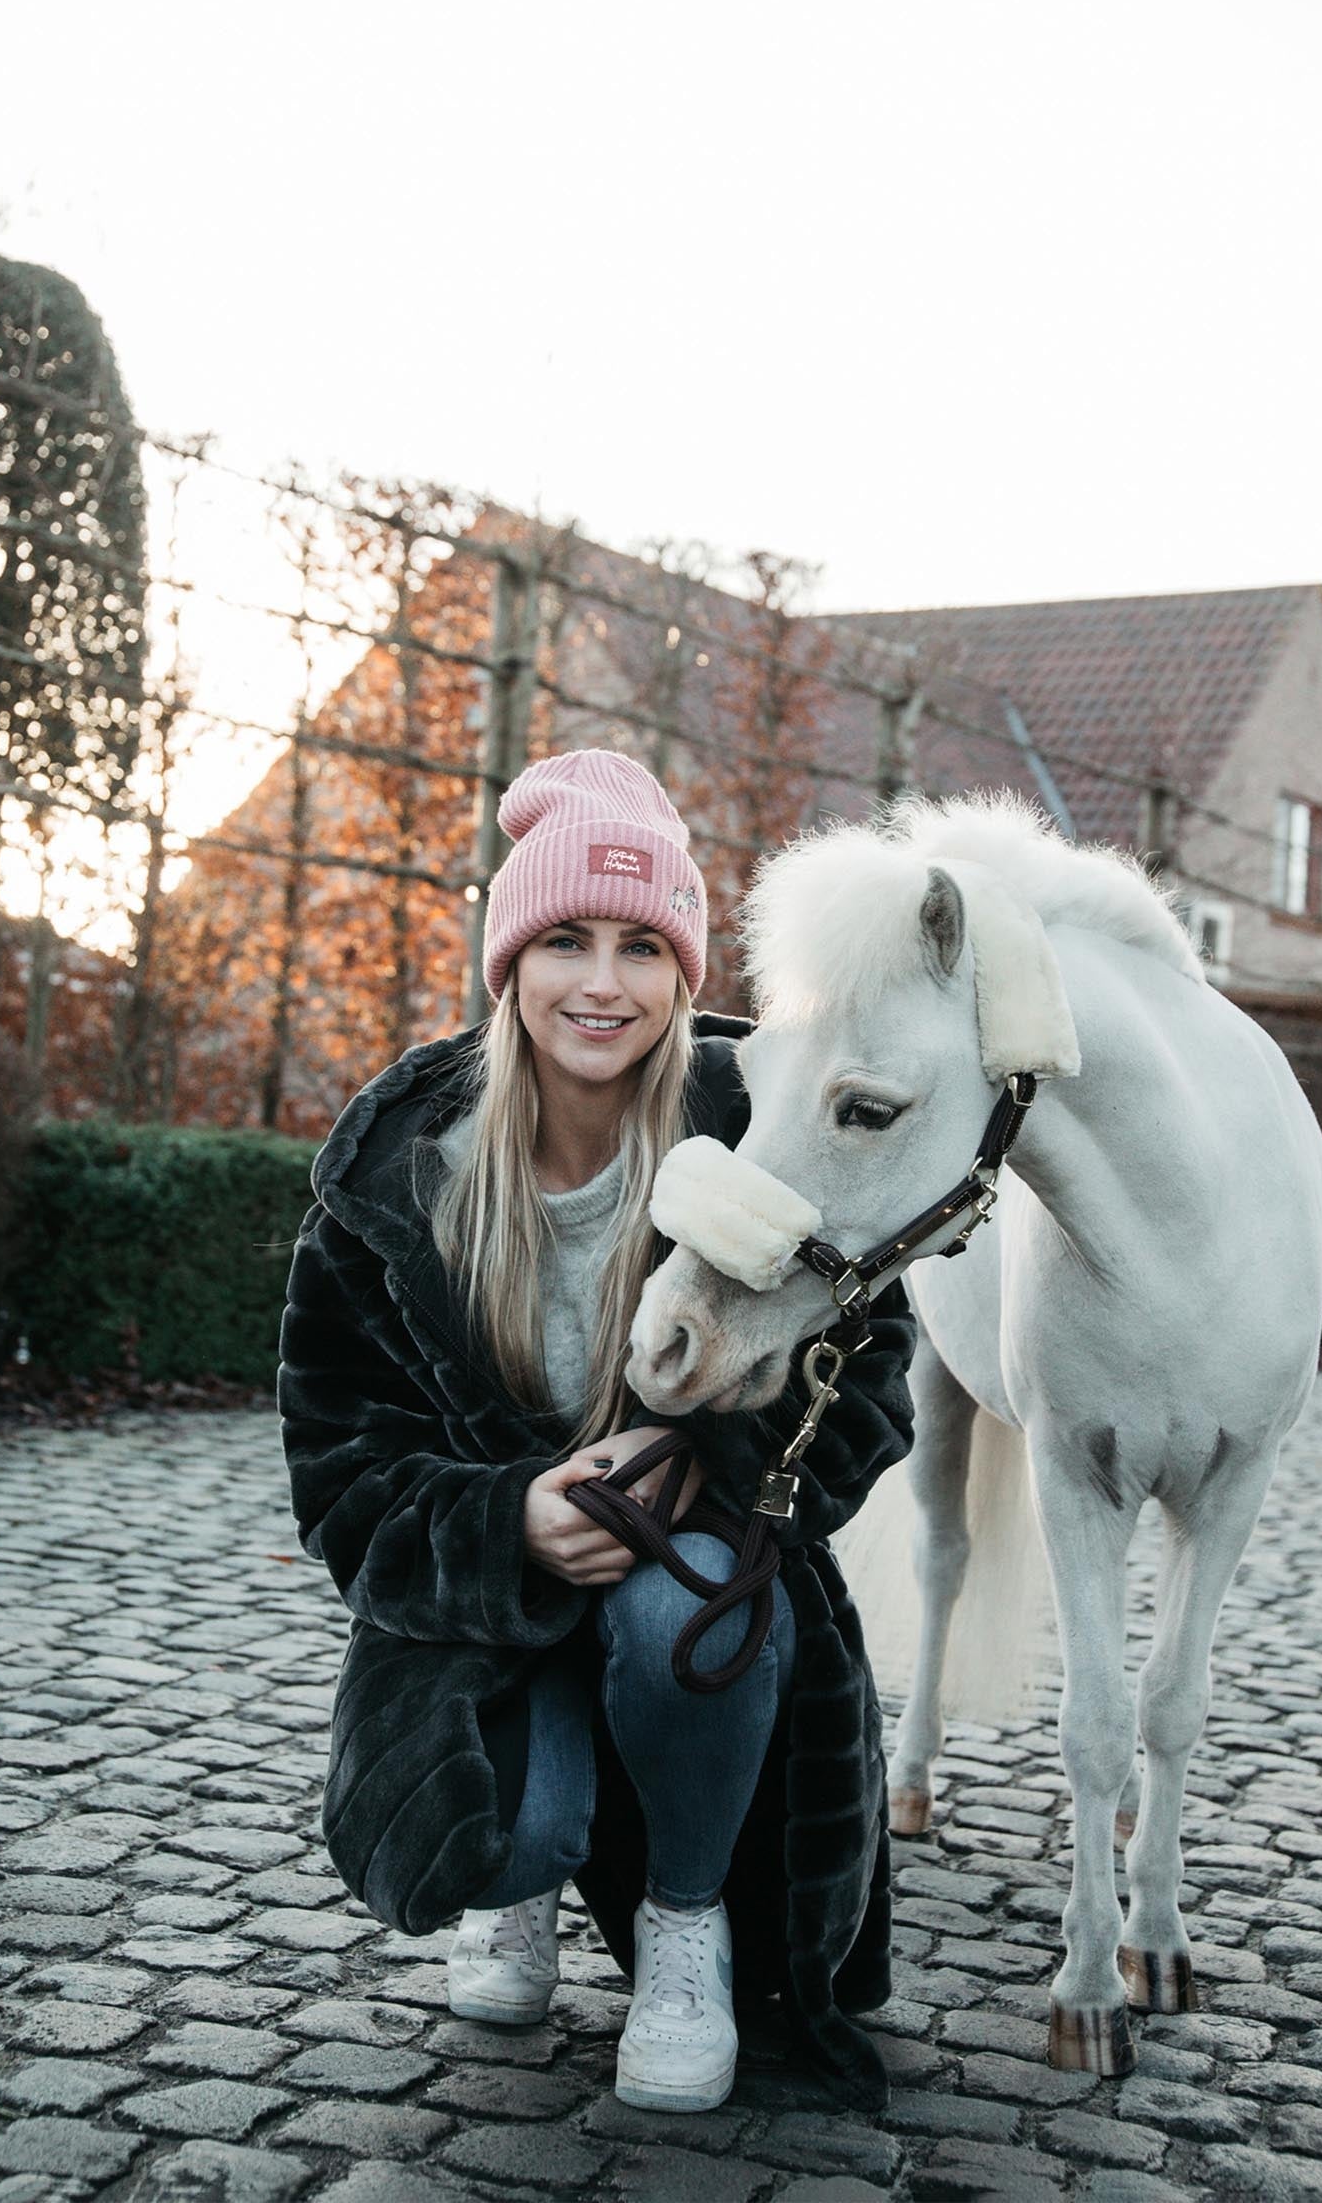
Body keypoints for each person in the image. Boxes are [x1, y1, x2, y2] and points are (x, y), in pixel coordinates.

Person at [278, 748, 916, 2113]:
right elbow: (340, 1473)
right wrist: (510, 1519)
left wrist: (701, 1474)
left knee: (685, 1608)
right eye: (566, 938)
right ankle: (523, 1889)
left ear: (684, 971)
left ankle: (687, 1920)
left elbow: (869, 1379)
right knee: (510, 1832)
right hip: (485, 1614)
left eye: (642, 945)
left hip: (686, 1593)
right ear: (511, 958)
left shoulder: (761, 1125)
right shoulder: (400, 1172)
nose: (603, 983)